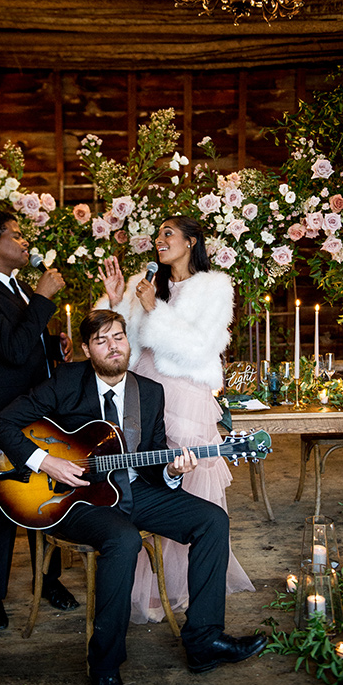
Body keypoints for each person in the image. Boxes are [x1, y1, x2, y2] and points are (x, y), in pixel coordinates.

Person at [0, 309, 267, 685]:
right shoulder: (67, 381)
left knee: (211, 519)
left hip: (135, 492)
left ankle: (204, 640)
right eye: (101, 340)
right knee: (124, 539)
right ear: (87, 348)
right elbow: (0, 425)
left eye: (118, 336)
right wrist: (45, 462)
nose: (113, 346)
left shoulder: (149, 393)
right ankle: (104, 669)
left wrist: (171, 470)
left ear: (128, 341)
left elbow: (152, 468)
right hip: (74, 499)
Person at [97, 215, 254, 624]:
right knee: (145, 475)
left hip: (185, 393)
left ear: (192, 241)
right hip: (145, 389)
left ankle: (184, 586)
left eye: (169, 233)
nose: (160, 240)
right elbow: (118, 340)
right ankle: (146, 588)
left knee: (186, 481)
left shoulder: (214, 287)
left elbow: (202, 348)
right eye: (158, 234)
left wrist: (155, 309)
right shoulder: (141, 282)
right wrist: (116, 301)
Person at [0, 209, 78, 631]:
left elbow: (28, 344)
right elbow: (9, 348)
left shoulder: (20, 288)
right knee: (4, 505)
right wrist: (43, 300)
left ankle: (48, 581)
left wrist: (53, 346)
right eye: (17, 235)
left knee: (49, 496)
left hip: (40, 414)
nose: (25, 242)